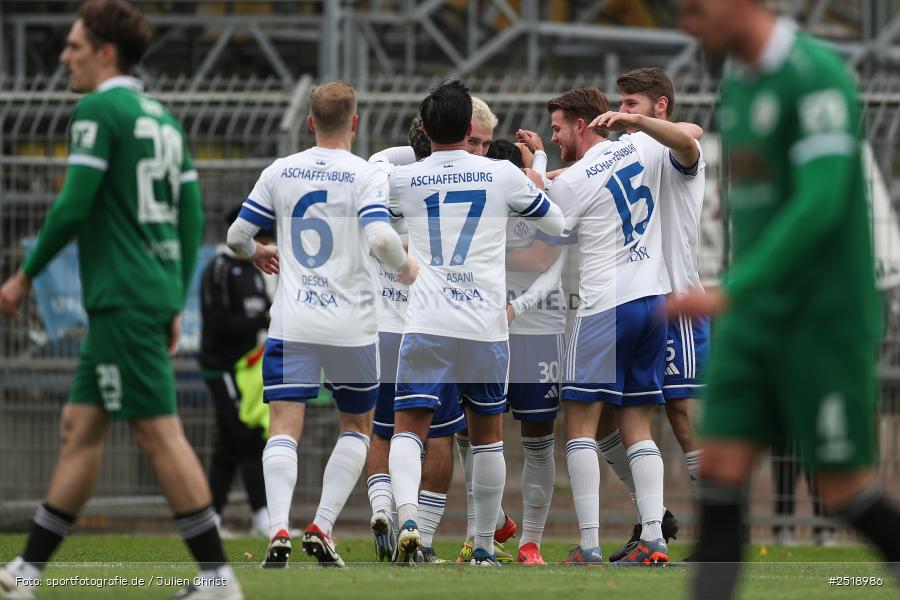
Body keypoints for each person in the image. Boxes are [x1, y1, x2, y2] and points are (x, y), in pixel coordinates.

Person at [0, 2, 242, 599]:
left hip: (122, 299)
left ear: (106, 53)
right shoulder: (163, 117)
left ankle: (217, 579)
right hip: (142, 296)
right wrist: (170, 295)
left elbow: (73, 203)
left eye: (75, 47)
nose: (64, 57)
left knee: (159, 434)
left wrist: (23, 276)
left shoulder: (99, 108)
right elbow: (190, 219)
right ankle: (27, 573)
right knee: (79, 426)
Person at [674, 0, 900, 596]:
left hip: (821, 320)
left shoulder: (815, 74)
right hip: (753, 323)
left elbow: (821, 202)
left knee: (843, 488)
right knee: (719, 475)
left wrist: (734, 288)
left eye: (695, 10)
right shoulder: (741, 81)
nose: (687, 25)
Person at [226, 80, 418, 568]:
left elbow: (237, 236)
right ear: (355, 122)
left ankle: (277, 531)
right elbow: (379, 237)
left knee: (283, 428)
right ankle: (322, 525)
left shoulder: (280, 171)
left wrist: (258, 252)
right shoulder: (363, 173)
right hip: (352, 327)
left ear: (310, 122)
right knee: (356, 426)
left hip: (294, 323)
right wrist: (406, 266)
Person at [387, 80, 564, 566]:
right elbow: (554, 223)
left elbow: (377, 222)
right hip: (485, 324)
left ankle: (407, 520)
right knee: (487, 439)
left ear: (423, 129)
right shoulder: (499, 175)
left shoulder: (405, 180)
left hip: (427, 321)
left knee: (409, 430)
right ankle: (484, 546)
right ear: (470, 127)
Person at [542, 87, 700, 566]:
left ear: (582, 125)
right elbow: (689, 133)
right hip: (652, 302)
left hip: (603, 307)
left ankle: (588, 544)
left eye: (558, 129)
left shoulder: (572, 182)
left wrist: (533, 171)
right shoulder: (640, 144)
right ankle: (653, 540)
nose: (554, 138)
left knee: (580, 429)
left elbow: (544, 224)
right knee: (638, 426)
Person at [597, 67, 706, 563]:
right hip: (634, 300)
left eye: (632, 104)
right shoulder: (634, 149)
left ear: (660, 106)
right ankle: (651, 521)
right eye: (619, 104)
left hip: (675, 301)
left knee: (682, 416)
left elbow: (689, 138)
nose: (622, 113)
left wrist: (635, 125)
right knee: (610, 416)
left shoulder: (674, 148)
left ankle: (723, 530)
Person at [365, 119, 469, 564]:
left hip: (378, 331)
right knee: (441, 436)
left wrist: (415, 152)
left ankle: (383, 510)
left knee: (380, 432)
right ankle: (423, 538)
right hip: (428, 329)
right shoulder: (446, 195)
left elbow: (377, 160)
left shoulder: (380, 184)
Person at [489, 139, 565, 565]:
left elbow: (547, 265)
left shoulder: (544, 200)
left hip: (538, 331)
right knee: (476, 434)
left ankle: (530, 542)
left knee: (538, 439)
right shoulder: (480, 198)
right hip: (488, 331)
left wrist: (517, 306)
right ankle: (484, 531)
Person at [199, 207, 272, 539]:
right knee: (245, 434)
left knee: (230, 442)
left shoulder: (254, 271)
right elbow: (217, 322)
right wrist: (261, 321)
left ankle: (214, 517)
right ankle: (260, 515)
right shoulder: (219, 270)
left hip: (247, 370)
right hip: (222, 366)